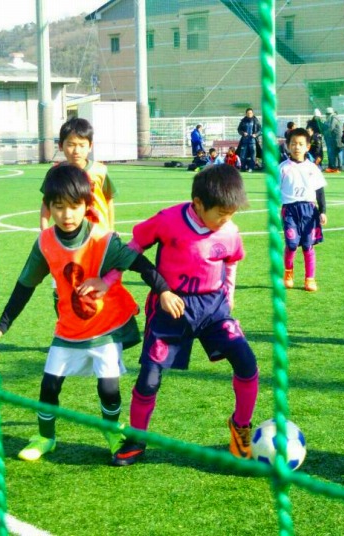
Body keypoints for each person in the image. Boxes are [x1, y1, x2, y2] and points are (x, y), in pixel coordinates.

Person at [0, 165, 184, 462]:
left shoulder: (102, 238)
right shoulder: (45, 243)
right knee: (49, 385)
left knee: (108, 388)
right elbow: (25, 285)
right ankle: (45, 437)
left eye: (74, 206)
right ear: (49, 208)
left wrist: (164, 291)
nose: (66, 215)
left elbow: (140, 264)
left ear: (86, 205)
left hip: (105, 327)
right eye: (58, 207)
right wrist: (3, 324)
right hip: (69, 328)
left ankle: (112, 432)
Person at [111, 165, 259, 466]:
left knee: (246, 361)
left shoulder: (230, 231)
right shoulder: (168, 220)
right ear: (198, 203)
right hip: (171, 308)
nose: (226, 220)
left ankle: (240, 427)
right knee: (149, 379)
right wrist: (110, 279)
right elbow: (134, 246)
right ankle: (137, 439)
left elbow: (231, 261)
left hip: (214, 308)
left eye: (231, 214)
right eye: (221, 214)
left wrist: (229, 295)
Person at [40, 118, 116, 233]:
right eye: (71, 145)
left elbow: (109, 201)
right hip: (69, 234)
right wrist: (44, 227)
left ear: (90, 146)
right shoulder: (55, 173)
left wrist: (111, 229)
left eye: (82, 145)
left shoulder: (100, 171)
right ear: (60, 145)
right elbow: (47, 201)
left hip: (98, 233)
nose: (76, 150)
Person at [278, 127, 327, 292]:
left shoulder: (312, 168)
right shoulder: (283, 168)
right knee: (291, 244)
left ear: (307, 147)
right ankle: (288, 273)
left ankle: (310, 278)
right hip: (289, 210)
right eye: (293, 144)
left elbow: (320, 191)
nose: (296, 147)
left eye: (300, 144)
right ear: (288, 146)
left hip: (309, 211)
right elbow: (275, 191)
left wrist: (323, 211)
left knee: (308, 245)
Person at [237, 107, 262, 172]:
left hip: (253, 142)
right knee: (242, 156)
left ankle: (251, 168)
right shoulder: (243, 121)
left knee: (253, 155)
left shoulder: (256, 121)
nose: (249, 114)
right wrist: (243, 133)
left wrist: (255, 135)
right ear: (246, 114)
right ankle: (243, 168)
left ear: (252, 113)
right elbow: (239, 129)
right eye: (248, 113)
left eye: (250, 113)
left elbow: (260, 130)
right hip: (244, 141)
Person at [323, 107, 342, 173]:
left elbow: (331, 128)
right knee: (336, 153)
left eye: (328, 114)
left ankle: (335, 167)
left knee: (334, 153)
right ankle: (336, 167)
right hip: (336, 139)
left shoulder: (334, 119)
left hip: (336, 139)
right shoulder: (333, 118)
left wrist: (324, 133)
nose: (327, 115)